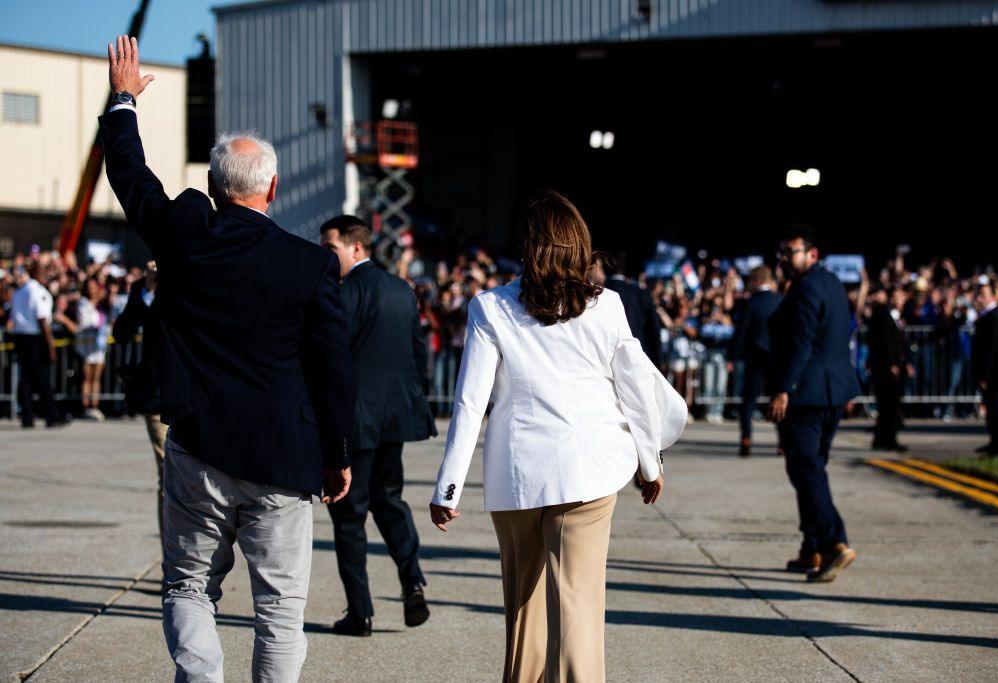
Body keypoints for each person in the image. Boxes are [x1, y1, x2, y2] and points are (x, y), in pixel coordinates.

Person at [101, 36, 355, 682]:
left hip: (200, 446)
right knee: (280, 609)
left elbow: (131, 178)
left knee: (188, 587)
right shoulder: (310, 266)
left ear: (213, 187)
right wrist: (338, 453)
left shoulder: (187, 235)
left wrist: (123, 100)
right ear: (274, 186)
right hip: (281, 456)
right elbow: (332, 367)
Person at [429, 190, 678, 683]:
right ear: (578, 244)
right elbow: (634, 388)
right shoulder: (606, 306)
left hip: (518, 474)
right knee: (578, 608)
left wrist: (447, 487)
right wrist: (650, 465)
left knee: (523, 614)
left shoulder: (489, 307)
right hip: (588, 470)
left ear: (527, 245)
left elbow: (470, 403)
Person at [319, 215, 437, 637]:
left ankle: (361, 612)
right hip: (393, 418)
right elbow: (417, 352)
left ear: (356, 248)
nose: (326, 257)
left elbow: (330, 360)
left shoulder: (342, 293)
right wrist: (413, 400)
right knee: (390, 500)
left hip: (355, 421)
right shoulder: (400, 291)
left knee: (350, 517)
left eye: (330, 248)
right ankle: (413, 580)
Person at [767, 224, 859, 583]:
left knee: (807, 470)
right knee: (809, 468)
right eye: (782, 253)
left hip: (806, 393)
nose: (784, 259)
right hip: (832, 390)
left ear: (812, 254)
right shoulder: (832, 283)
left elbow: (800, 345)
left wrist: (783, 389)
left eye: (791, 252)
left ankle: (834, 541)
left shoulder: (807, 288)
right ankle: (813, 547)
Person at [112, 260, 167, 541]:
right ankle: (174, 565)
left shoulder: (190, 277)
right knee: (168, 477)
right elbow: (121, 333)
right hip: (157, 395)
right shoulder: (141, 291)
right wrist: (147, 290)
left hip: (195, 394)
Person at [728, 266, 781, 455]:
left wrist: (733, 356)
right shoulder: (780, 300)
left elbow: (742, 332)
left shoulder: (751, 304)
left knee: (749, 399)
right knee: (778, 397)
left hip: (755, 355)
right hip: (777, 356)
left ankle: (746, 437)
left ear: (757, 281)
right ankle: (783, 442)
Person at [9, 262, 67, 428]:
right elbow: (43, 321)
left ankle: (27, 416)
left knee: (26, 379)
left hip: (20, 337)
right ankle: (51, 414)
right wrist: (50, 346)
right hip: (35, 338)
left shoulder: (20, 292)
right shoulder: (38, 291)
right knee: (41, 378)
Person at [596, 251, 662, 366]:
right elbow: (654, 331)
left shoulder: (597, 295)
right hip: (639, 358)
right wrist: (658, 361)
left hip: (606, 360)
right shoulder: (641, 294)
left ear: (605, 268)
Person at [866, 288, 913, 452]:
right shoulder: (884, 316)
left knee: (889, 405)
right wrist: (893, 363)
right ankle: (887, 439)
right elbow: (886, 343)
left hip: (892, 366)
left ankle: (882, 438)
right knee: (889, 405)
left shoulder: (894, 318)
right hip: (886, 368)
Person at [971, 280, 998, 456]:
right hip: (991, 372)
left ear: (993, 296)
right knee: (992, 410)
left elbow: (991, 349)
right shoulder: (988, 316)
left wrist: (985, 376)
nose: (979, 298)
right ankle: (996, 443)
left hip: (995, 373)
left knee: (997, 410)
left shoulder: (995, 316)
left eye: (983, 294)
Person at [76, 278, 109, 421]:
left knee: (96, 377)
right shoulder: (83, 303)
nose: (91, 289)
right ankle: (85, 406)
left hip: (99, 345)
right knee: (87, 376)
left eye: (94, 287)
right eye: (89, 287)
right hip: (87, 343)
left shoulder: (102, 305)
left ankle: (94, 406)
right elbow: (85, 322)